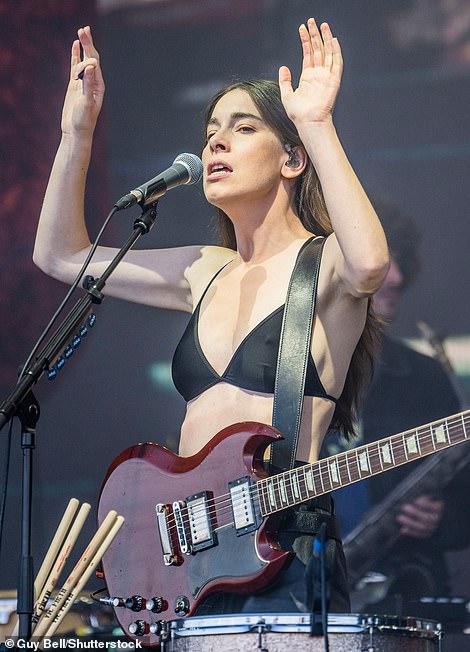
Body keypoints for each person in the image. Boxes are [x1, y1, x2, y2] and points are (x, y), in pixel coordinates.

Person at [33, 20, 389, 614]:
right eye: (210, 132)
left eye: (242, 128)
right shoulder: (206, 269)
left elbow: (371, 263)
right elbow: (60, 256)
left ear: (291, 159)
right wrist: (77, 134)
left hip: (282, 554)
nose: (214, 144)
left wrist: (318, 124)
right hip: (189, 564)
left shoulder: (323, 263)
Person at [322, 198, 470, 612]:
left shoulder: (424, 376)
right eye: (385, 262)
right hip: (300, 591)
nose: (399, 278)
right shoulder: (284, 371)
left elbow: (465, 497)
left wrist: (443, 520)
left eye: (402, 264)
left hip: (396, 595)